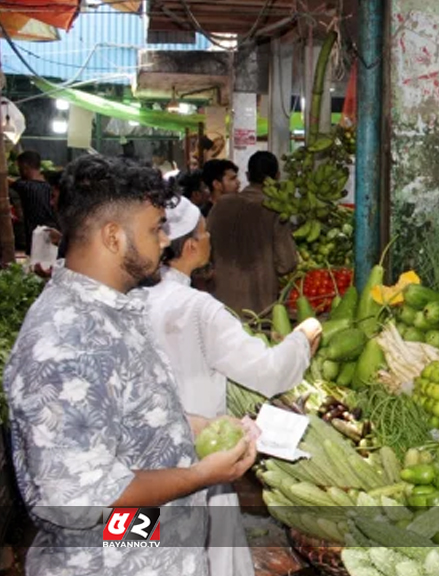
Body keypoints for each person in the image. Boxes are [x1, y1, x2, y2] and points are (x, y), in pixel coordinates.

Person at [1, 155, 257, 576]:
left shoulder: (115, 309)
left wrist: (199, 427)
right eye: (156, 228)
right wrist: (199, 476)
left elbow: (125, 415)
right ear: (113, 237)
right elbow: (83, 507)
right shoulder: (65, 344)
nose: (165, 240)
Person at [146, 198, 321, 576]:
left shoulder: (127, 299)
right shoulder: (198, 309)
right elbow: (270, 371)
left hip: (142, 475)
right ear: (191, 247)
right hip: (201, 461)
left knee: (146, 547)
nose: (211, 237)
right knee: (210, 552)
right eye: (205, 232)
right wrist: (303, 338)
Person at [207, 151, 298, 313]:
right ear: (277, 176)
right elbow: (286, 264)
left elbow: (207, 251)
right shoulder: (275, 210)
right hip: (259, 309)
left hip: (221, 306)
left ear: (248, 175)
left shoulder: (220, 205)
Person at [12, 150, 58, 249]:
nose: (19, 171)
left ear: (25, 167)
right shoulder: (49, 184)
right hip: (54, 231)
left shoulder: (25, 187)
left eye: (19, 168)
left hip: (36, 235)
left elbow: (7, 182)